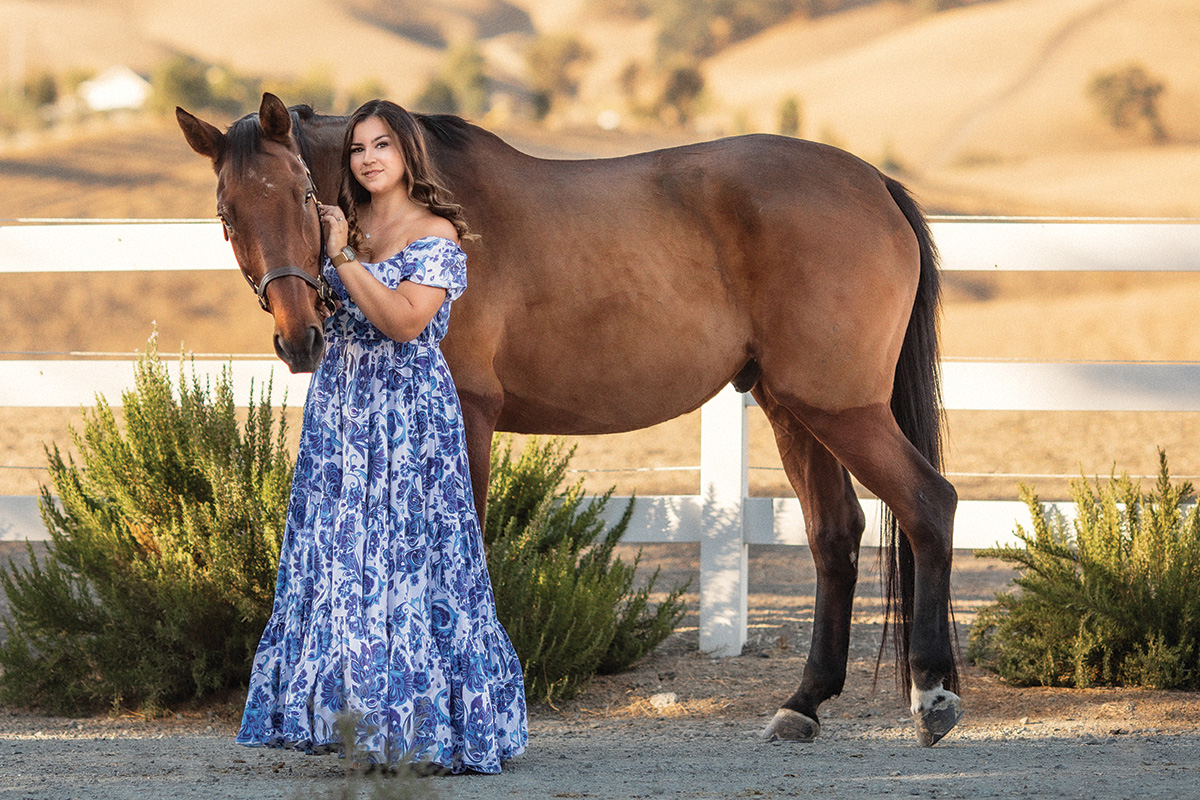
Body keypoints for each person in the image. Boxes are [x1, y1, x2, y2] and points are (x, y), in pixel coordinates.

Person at [236, 99, 528, 774]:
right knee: (345, 568)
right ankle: (359, 725)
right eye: (360, 148)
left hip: (407, 425)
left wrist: (341, 255)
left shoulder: (438, 233)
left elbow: (401, 322)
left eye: (382, 146)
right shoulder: (341, 222)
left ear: (408, 156)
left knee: (412, 569)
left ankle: (425, 730)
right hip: (341, 416)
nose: (368, 158)